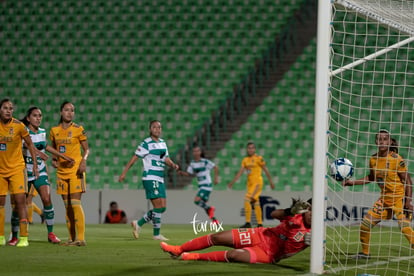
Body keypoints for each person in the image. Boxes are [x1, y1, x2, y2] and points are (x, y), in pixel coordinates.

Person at [160, 198, 311, 263]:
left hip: (267, 254)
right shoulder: (295, 216)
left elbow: (288, 250)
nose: (311, 214)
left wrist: (312, 243)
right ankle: (178, 249)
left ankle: (195, 256)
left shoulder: (313, 234)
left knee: (234, 255)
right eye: (309, 210)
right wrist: (289, 210)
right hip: (259, 234)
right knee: (218, 237)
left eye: (315, 212)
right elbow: (273, 214)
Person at [8, 106, 75, 246]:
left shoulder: (42, 132)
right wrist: (38, 153)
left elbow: (45, 147)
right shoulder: (22, 131)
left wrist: (63, 156)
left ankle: (51, 233)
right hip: (24, 171)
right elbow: (24, 147)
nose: (38, 118)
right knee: (19, 205)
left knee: (46, 198)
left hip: (40, 170)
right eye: (35, 115)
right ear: (28, 118)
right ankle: (14, 236)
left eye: (40, 115)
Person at [343, 129, 414, 259]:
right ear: (376, 141)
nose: (382, 141)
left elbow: (408, 181)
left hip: (398, 200)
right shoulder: (373, 159)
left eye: (385, 139)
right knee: (365, 225)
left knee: (405, 228)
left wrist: (408, 201)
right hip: (384, 200)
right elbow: (371, 177)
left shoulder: (397, 159)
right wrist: (352, 183)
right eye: (379, 139)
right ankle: (365, 253)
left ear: (390, 141)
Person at [119, 120, 179, 241]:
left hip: (160, 178)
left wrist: (172, 164)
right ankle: (156, 234)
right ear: (150, 129)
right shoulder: (146, 143)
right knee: (157, 206)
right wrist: (124, 173)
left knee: (162, 208)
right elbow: (134, 158)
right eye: (154, 127)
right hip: (150, 177)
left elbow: (165, 158)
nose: (157, 129)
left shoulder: (163, 143)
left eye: (159, 127)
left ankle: (139, 223)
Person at [50, 101, 89, 246]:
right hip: (61, 172)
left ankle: (81, 238)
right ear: (61, 112)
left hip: (75, 171)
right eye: (67, 110)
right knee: (67, 207)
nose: (70, 113)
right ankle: (71, 239)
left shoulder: (79, 129)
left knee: (75, 204)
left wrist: (83, 161)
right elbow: (54, 149)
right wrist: (54, 160)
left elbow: (87, 149)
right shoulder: (54, 131)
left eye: (72, 110)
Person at [0, 98, 39, 247]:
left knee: (20, 202)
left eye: (11, 108)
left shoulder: (19, 126)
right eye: (5, 108)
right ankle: (1, 236)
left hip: (16, 169)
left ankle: (24, 237)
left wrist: (35, 164)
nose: (9, 110)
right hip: (0, 171)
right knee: (1, 204)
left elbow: (29, 144)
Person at [227, 142, 275, 228]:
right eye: (249, 148)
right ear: (247, 149)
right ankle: (260, 224)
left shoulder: (259, 158)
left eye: (252, 148)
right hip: (250, 184)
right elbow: (240, 172)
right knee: (256, 202)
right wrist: (232, 182)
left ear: (255, 149)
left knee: (247, 200)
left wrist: (271, 182)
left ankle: (248, 223)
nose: (250, 149)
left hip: (257, 183)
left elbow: (265, 170)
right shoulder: (245, 160)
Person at [178, 145, 219, 223]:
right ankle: (214, 220)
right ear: (193, 153)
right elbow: (189, 173)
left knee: (197, 201)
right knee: (203, 205)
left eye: (198, 151)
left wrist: (216, 178)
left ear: (200, 152)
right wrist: (181, 172)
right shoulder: (193, 163)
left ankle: (211, 208)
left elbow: (215, 167)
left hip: (207, 185)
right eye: (194, 151)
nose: (196, 152)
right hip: (201, 186)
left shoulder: (205, 161)